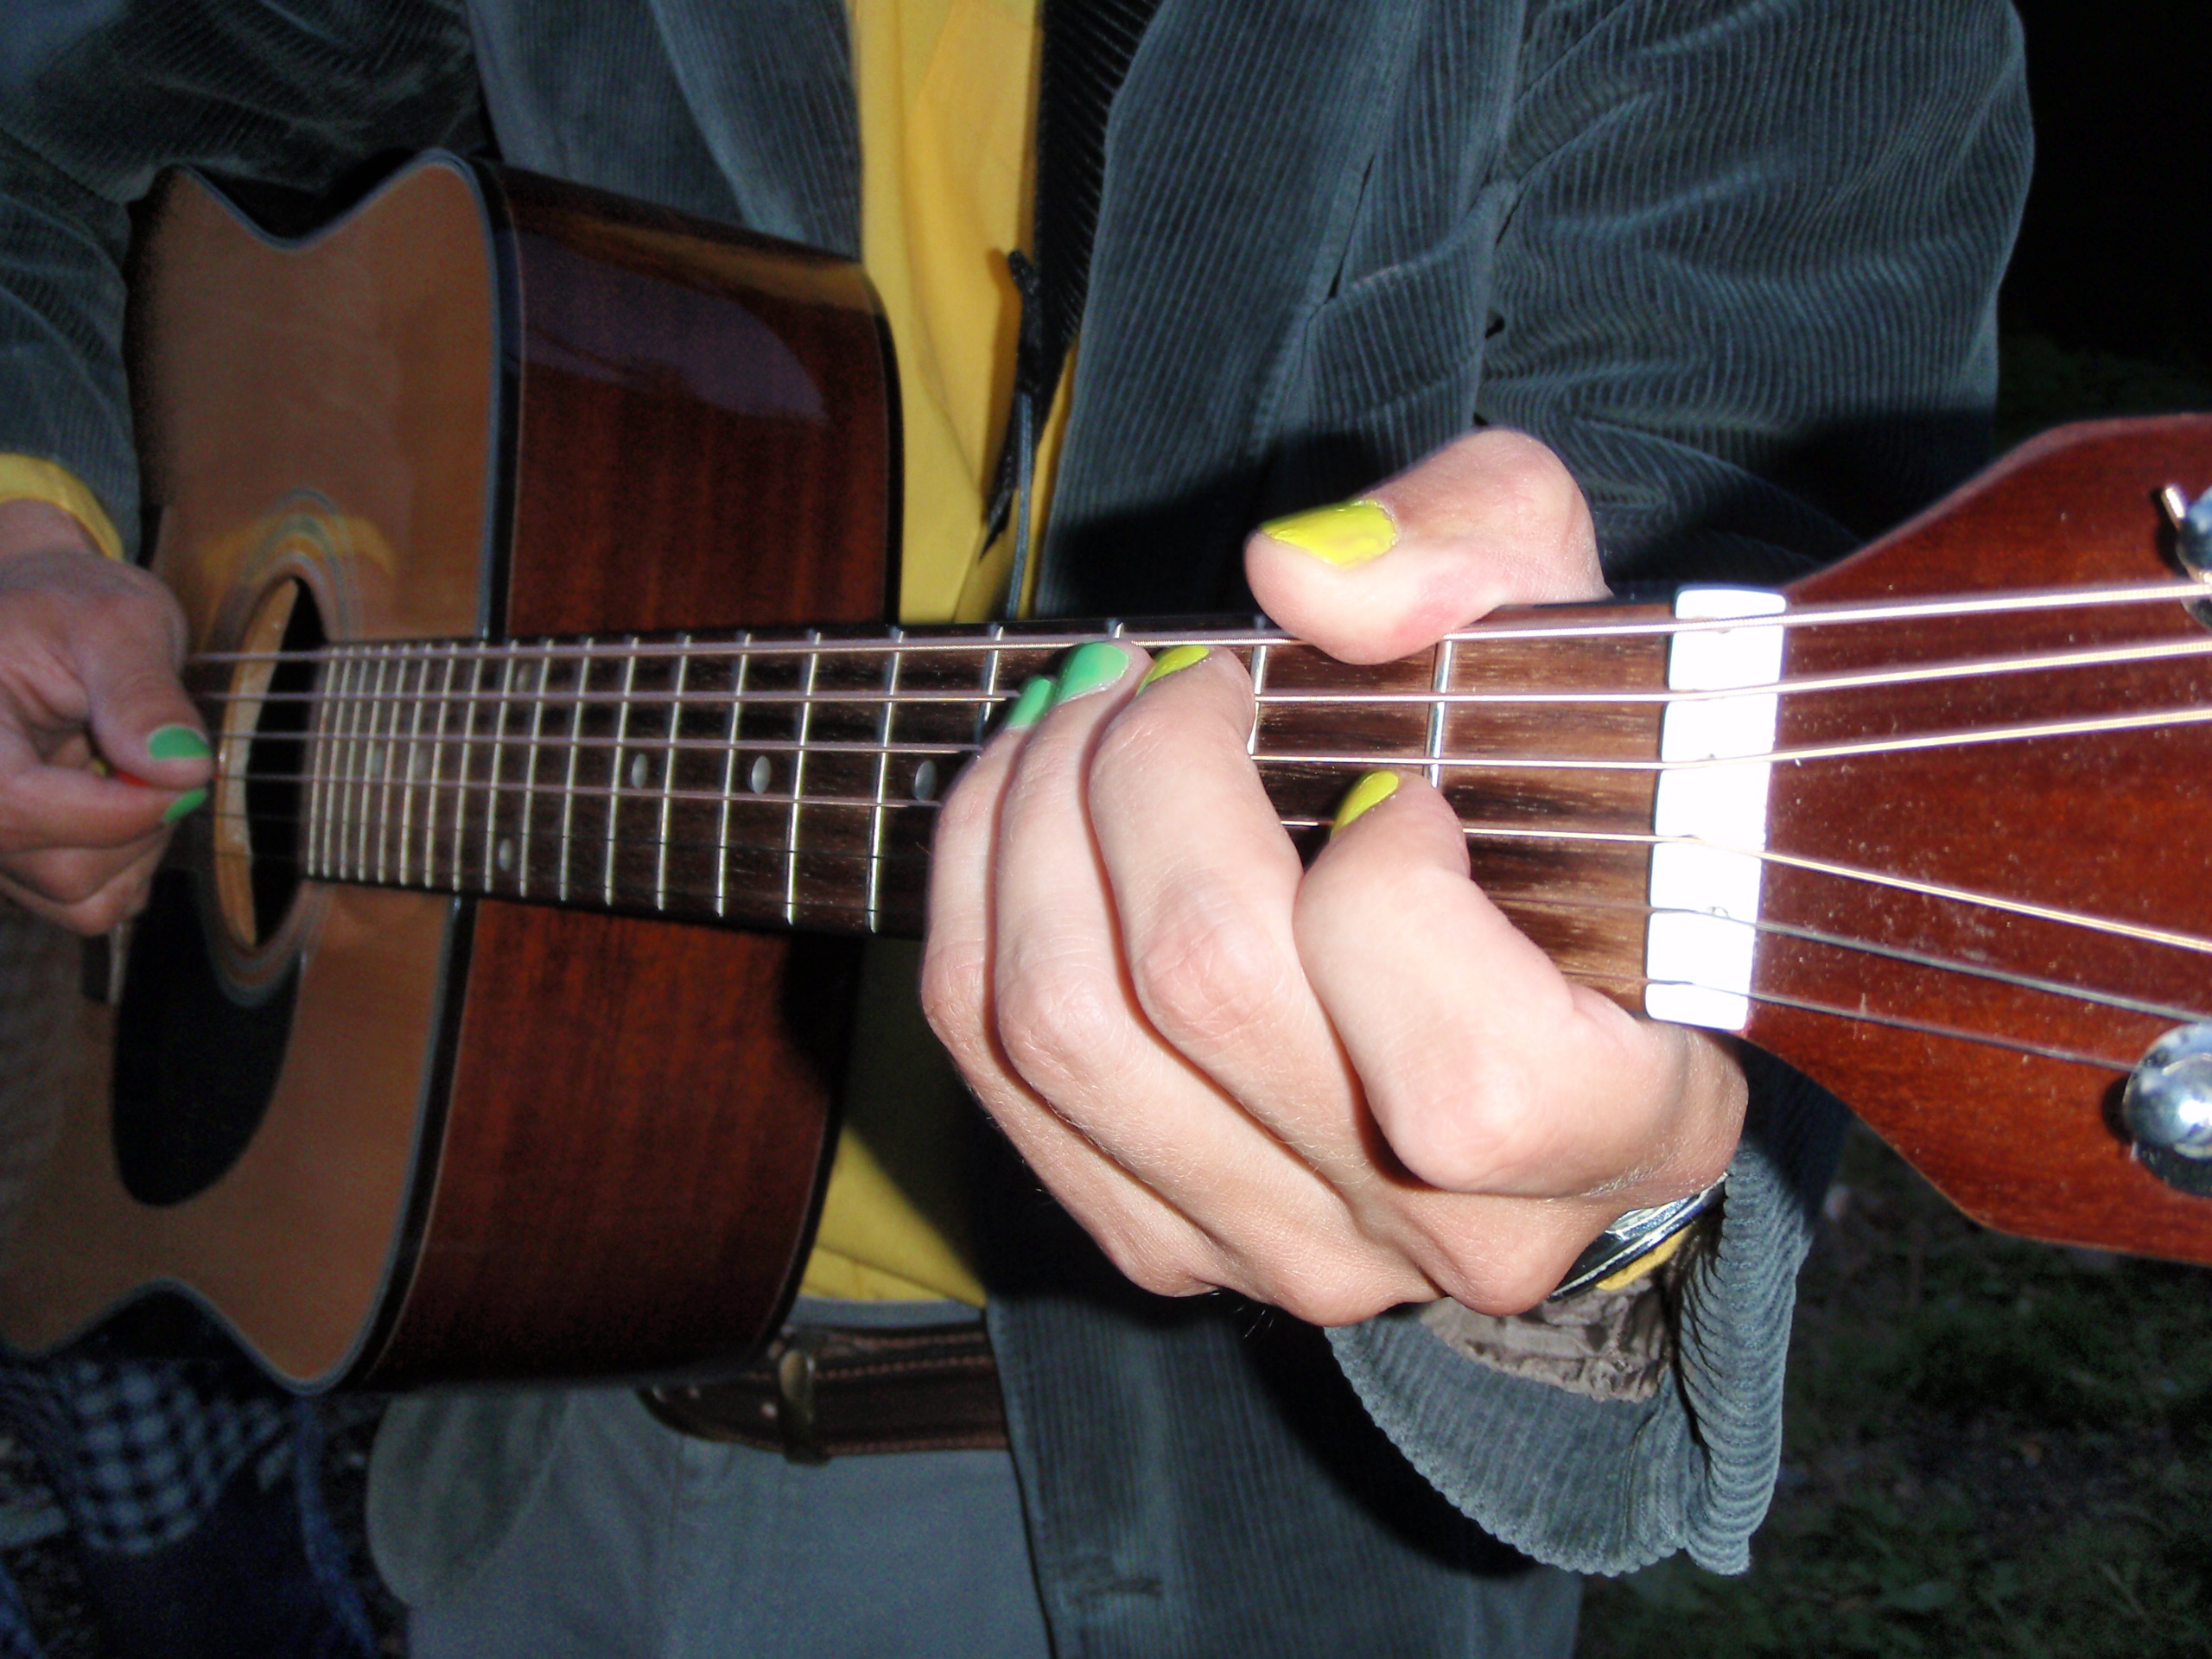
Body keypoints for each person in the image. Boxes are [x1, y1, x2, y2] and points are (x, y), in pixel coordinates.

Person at [0, 1, 2031, 1653]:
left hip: (1229, 1531)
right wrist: (34, 518)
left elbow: (1744, 583)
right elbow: (60, 164)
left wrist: (1613, 1204)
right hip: (532, 1423)